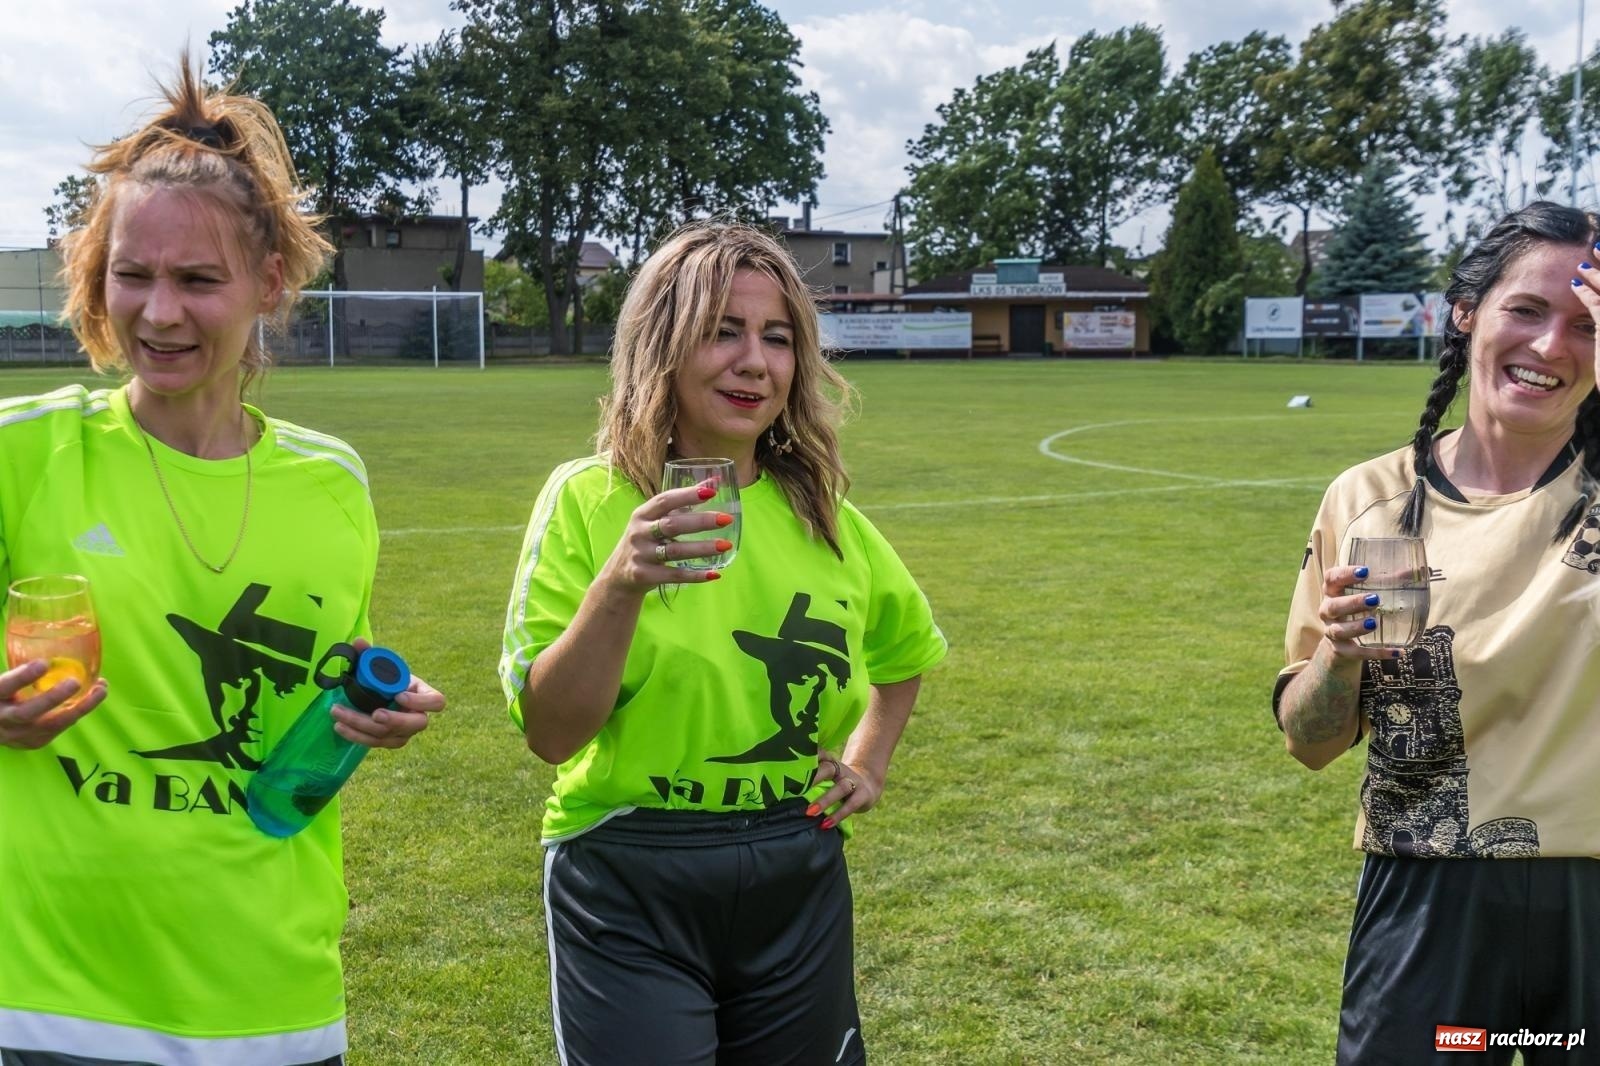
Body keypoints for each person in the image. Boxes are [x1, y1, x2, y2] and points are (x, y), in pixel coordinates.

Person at [0, 58, 444, 1066]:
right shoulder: (19, 449)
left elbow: (332, 686)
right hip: (51, 1003)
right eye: (133, 275)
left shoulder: (334, 481)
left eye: (198, 280)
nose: (157, 314)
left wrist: (382, 707)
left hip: (275, 1004)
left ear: (269, 282)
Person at [499, 221, 946, 1065]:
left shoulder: (827, 520)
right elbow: (552, 734)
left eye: (777, 339)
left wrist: (868, 763)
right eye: (722, 332)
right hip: (629, 877)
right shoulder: (590, 502)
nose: (755, 362)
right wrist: (619, 585)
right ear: (661, 347)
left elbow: (907, 654)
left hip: (795, 871)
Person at [1276, 201, 1600, 1065]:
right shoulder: (1370, 502)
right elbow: (1309, 743)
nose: (1551, 347)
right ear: (1467, 312)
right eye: (1526, 310)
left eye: (1586, 322)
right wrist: (1340, 656)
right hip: (1429, 900)